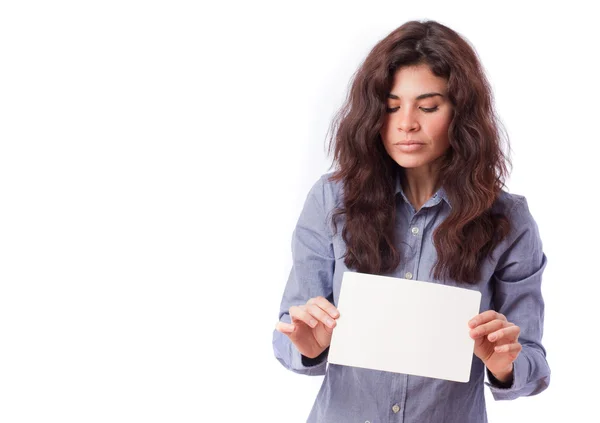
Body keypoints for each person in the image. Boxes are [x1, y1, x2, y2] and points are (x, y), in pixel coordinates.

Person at [272, 19, 550, 423]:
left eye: (428, 106)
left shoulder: (508, 219)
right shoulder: (332, 200)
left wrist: (505, 363)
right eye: (390, 107)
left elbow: (533, 364)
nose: (406, 124)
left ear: (461, 113)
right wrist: (308, 344)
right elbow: (287, 334)